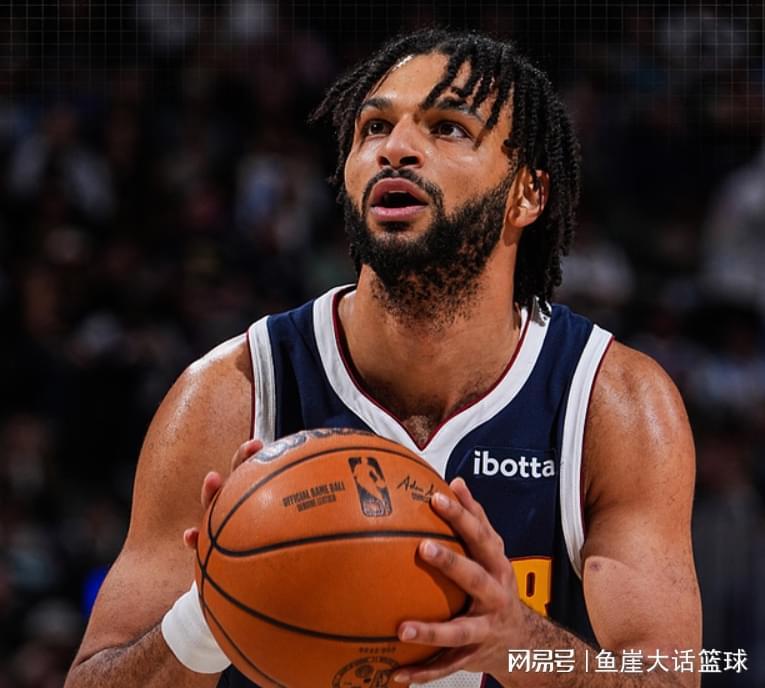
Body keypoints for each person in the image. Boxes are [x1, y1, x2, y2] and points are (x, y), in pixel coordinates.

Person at [64, 29, 701, 688]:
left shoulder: (612, 404)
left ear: (527, 194)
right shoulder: (233, 393)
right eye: (373, 127)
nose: (394, 148)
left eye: (448, 128)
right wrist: (204, 618)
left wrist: (516, 642)